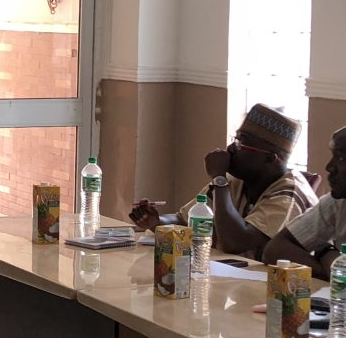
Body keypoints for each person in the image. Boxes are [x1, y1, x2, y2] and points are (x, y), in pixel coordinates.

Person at [129, 104, 318, 259]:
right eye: (235, 139)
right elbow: (186, 219)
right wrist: (156, 221)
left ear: (270, 159)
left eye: (241, 144)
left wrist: (219, 179)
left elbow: (235, 242)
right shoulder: (237, 181)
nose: (230, 148)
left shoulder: (289, 195)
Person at [263, 127, 346, 279]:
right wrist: (331, 262)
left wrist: (327, 256)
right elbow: (275, 250)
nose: (329, 167)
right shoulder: (338, 202)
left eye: (341, 158)